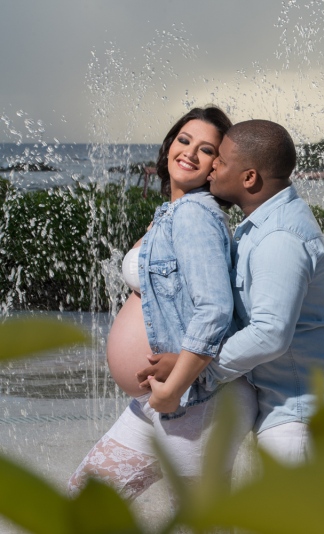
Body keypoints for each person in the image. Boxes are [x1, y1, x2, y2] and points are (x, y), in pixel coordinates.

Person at [138, 119, 324, 465]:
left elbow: (270, 334)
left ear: (249, 178)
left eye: (222, 161)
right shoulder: (259, 223)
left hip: (304, 411)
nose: (213, 166)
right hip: (289, 407)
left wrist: (195, 369)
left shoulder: (280, 238)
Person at [67, 107, 257, 500]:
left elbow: (215, 309)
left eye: (206, 150)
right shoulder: (172, 213)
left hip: (192, 398)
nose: (189, 152)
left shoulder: (193, 215)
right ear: (170, 144)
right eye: (184, 140)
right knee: (85, 503)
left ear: (216, 167)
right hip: (162, 399)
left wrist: (175, 385)